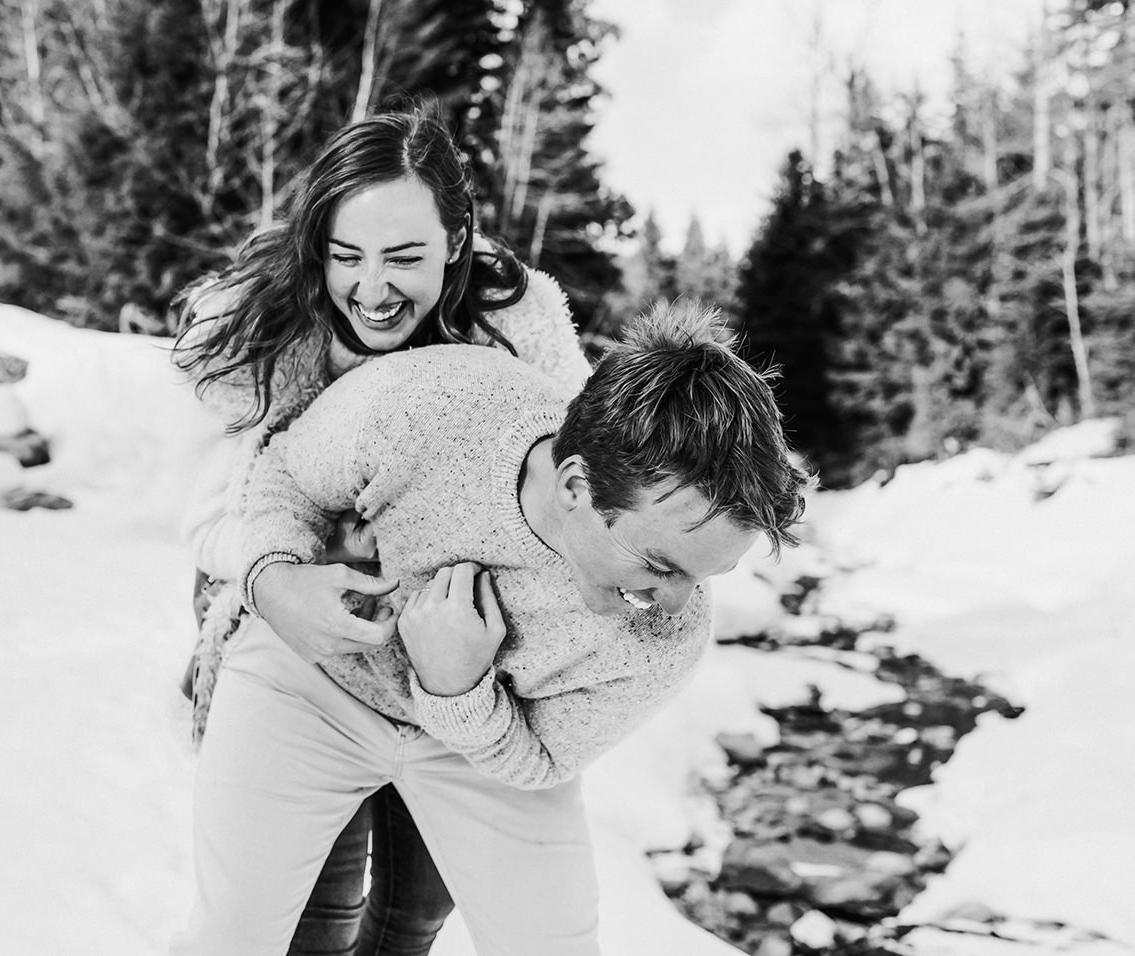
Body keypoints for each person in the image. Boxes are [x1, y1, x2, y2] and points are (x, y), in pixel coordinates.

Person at [171, 302, 810, 956]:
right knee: (229, 938)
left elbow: (543, 759)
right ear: (575, 485)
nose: (676, 604)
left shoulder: (669, 640)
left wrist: (458, 689)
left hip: (487, 748)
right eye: (660, 566)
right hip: (313, 684)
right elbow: (283, 470)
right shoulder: (429, 404)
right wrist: (277, 580)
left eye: (703, 577)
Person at [172, 108, 591, 956]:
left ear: (457, 239)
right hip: (311, 657)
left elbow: (577, 494)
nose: (371, 288)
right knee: (309, 919)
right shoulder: (268, 330)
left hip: (466, 676)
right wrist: (277, 577)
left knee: (411, 916)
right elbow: (209, 514)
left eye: (404, 257)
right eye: (347, 255)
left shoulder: (519, 328)